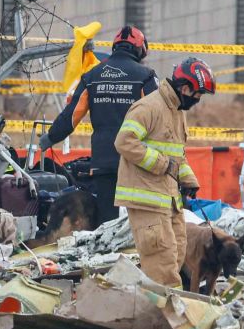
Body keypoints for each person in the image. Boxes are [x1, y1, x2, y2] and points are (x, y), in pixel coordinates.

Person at [113, 57, 215, 288]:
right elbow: (124, 141)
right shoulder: (149, 107)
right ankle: (168, 308)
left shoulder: (177, 111)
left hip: (168, 198)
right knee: (162, 262)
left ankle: (155, 300)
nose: (198, 99)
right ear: (185, 88)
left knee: (177, 251)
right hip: (147, 199)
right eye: (198, 93)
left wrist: (188, 178)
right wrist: (162, 164)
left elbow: (176, 154)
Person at [41, 26, 157, 226]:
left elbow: (71, 115)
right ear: (140, 50)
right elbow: (158, 115)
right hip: (136, 160)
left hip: (104, 160)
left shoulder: (92, 76)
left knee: (107, 223)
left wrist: (50, 137)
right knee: (138, 221)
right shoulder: (146, 75)